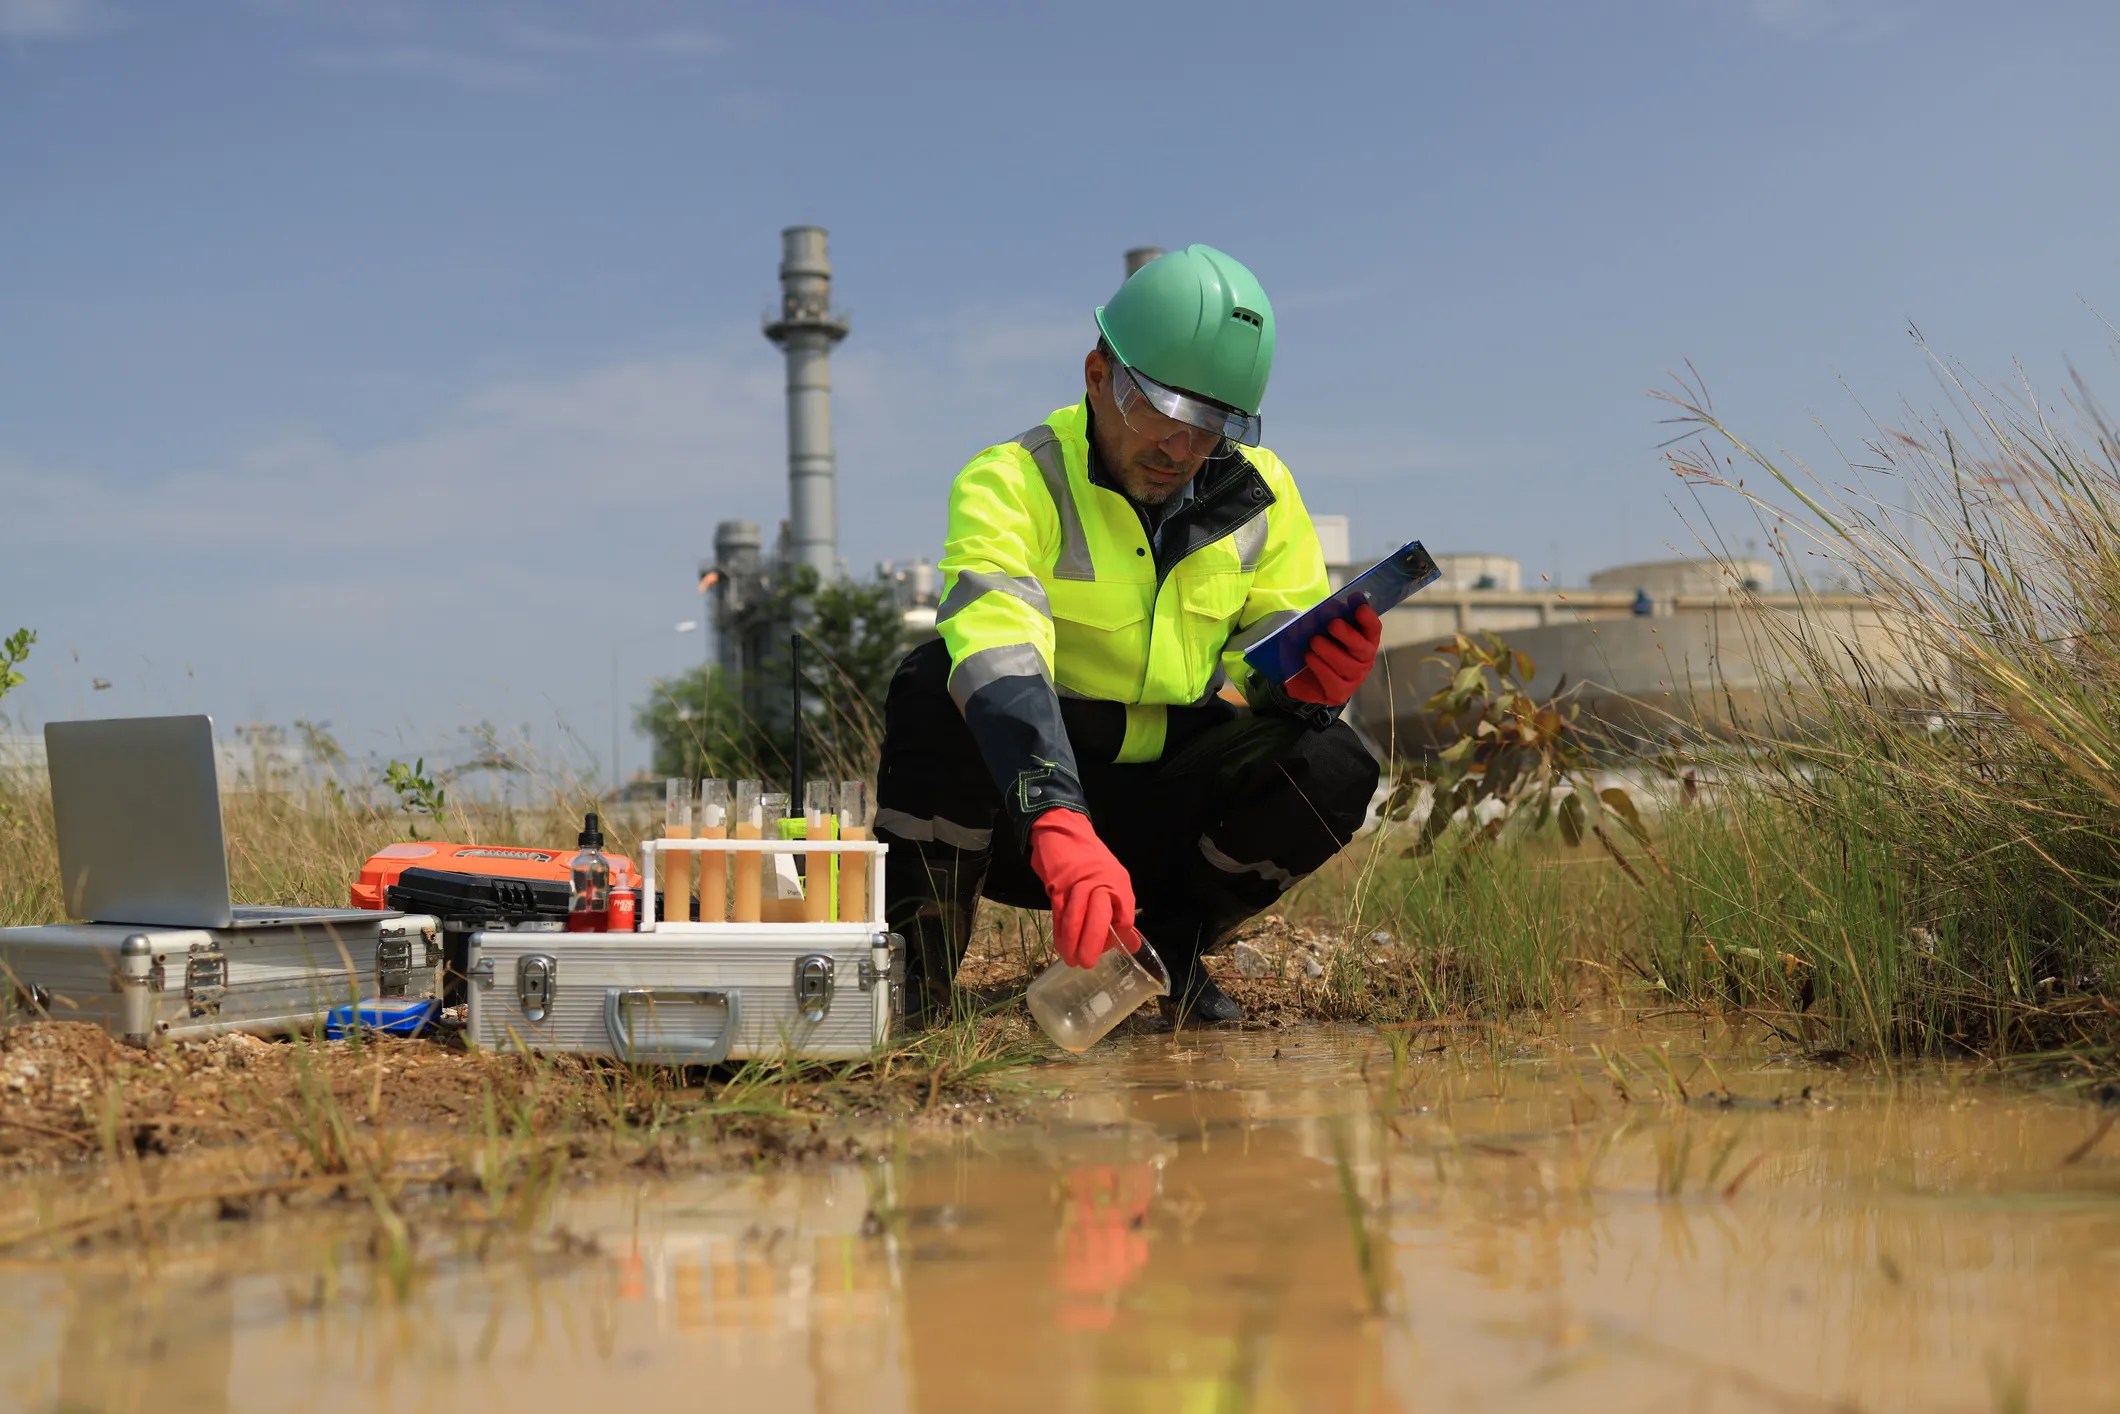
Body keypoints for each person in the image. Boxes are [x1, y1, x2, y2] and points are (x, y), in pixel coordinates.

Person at [874, 244, 1383, 1027]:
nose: (1182, 449)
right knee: (932, 682)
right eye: (1166, 413)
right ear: (1097, 374)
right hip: (1034, 809)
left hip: (1170, 802)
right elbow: (996, 647)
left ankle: (1165, 952)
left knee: (1333, 761)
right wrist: (1054, 815)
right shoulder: (1012, 481)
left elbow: (1268, 659)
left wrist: (1310, 686)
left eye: (1212, 425)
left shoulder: (1262, 492)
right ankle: (919, 976)